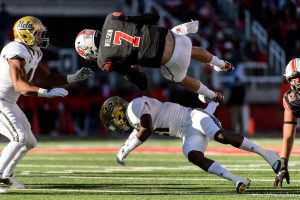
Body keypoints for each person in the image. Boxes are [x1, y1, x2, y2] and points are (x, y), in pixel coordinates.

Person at [99, 95, 281, 193]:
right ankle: (237, 179)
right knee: (192, 154)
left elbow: (146, 129)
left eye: (113, 120)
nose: (115, 124)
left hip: (193, 117)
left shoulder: (134, 107)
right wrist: (122, 149)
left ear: (118, 112)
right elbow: (138, 130)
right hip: (187, 132)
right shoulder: (134, 116)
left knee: (219, 136)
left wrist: (126, 150)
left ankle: (268, 154)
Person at [0, 16, 94, 193]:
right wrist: (46, 93)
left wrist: (73, 77)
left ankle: (5, 176)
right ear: (25, 34)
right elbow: (20, 85)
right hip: (0, 101)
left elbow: (48, 77)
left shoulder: (34, 51)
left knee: (30, 142)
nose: (41, 36)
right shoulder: (15, 50)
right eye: (37, 33)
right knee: (19, 137)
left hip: (9, 101)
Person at [74, 12, 235, 103]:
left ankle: (211, 94)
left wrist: (134, 66)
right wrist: (130, 24)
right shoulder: (111, 18)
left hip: (170, 60)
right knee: (189, 49)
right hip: (171, 37)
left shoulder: (104, 60)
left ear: (89, 51)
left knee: (180, 78)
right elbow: (153, 17)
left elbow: (141, 81)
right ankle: (221, 63)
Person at [274, 58, 300, 187]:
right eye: (294, 77)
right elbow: (288, 136)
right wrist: (283, 166)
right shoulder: (290, 99)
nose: (298, 81)